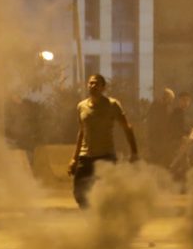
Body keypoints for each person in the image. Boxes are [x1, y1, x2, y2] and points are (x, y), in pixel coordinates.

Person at [68, 74, 139, 208]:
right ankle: (90, 220)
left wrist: (134, 152)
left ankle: (107, 222)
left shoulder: (112, 104)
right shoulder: (81, 106)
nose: (92, 86)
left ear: (103, 87)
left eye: (96, 84)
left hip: (105, 156)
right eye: (90, 83)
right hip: (85, 157)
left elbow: (127, 127)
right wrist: (74, 158)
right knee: (79, 193)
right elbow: (82, 132)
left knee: (106, 194)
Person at [146, 87, 175, 166]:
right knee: (156, 158)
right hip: (156, 137)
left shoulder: (165, 108)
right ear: (166, 97)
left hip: (162, 138)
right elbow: (153, 121)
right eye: (171, 99)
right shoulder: (157, 105)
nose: (171, 101)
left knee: (161, 158)